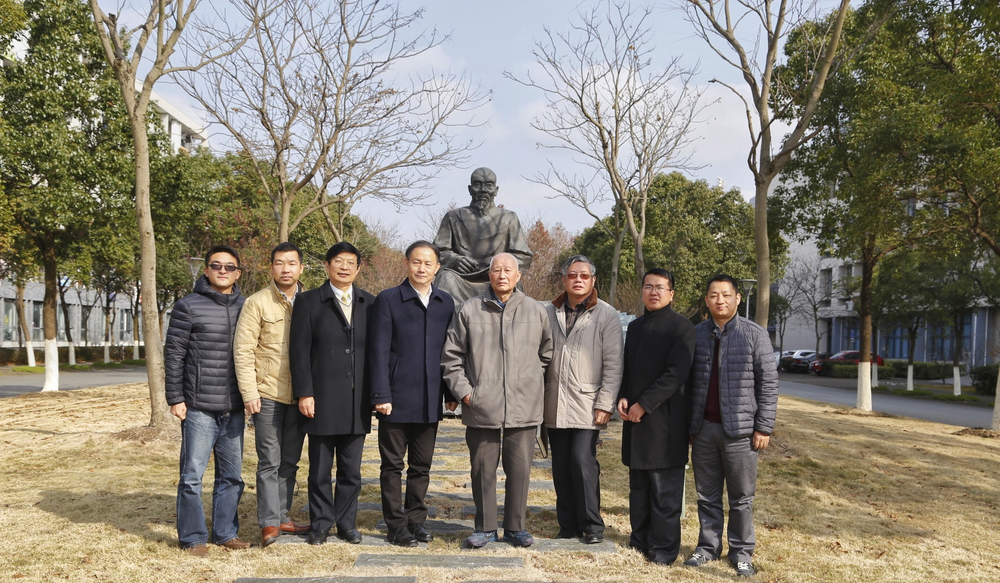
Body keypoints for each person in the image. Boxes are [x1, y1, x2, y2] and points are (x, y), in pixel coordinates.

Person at [441, 252, 553, 548]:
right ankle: (486, 527)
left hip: (523, 405)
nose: (502, 275)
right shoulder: (469, 309)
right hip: (481, 404)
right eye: (496, 270)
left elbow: (547, 353)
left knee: (520, 469)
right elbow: (451, 357)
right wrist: (466, 392)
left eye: (508, 270)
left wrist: (529, 380)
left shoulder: (535, 310)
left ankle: (516, 527)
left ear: (518, 276)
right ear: (488, 275)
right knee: (481, 469)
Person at [682, 274, 779, 577]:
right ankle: (707, 547)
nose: (719, 300)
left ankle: (741, 552)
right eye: (713, 295)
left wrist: (763, 427)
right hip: (704, 430)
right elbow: (686, 383)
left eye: (726, 295)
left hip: (741, 433)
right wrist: (689, 427)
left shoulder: (754, 334)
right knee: (706, 495)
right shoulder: (696, 333)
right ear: (707, 299)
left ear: (737, 298)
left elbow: (769, 383)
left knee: (741, 498)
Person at [369, 241, 457, 547]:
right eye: (416, 262)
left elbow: (449, 351)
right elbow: (378, 350)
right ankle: (395, 524)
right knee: (392, 466)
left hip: (430, 398)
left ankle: (416, 519)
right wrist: (381, 393)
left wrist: (449, 391)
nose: (422, 268)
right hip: (394, 397)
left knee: (422, 466)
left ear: (437, 268)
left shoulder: (446, 302)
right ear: (407, 264)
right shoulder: (389, 299)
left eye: (428, 264)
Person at [289, 242, 375, 546]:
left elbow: (376, 353)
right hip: (322, 399)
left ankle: (346, 524)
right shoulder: (310, 301)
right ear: (327, 265)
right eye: (338, 261)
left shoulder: (369, 303)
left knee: (351, 470)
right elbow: (298, 352)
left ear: (358, 268)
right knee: (321, 469)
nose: (344, 267)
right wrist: (305, 393)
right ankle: (321, 524)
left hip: (357, 402)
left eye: (351, 262)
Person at [165, 245, 248, 556]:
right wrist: (175, 397)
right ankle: (193, 537)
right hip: (198, 406)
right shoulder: (188, 306)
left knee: (232, 476)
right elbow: (174, 354)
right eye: (216, 266)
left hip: (235, 407)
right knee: (191, 476)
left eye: (229, 267)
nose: (223, 271)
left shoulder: (246, 307)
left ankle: (225, 533)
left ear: (238, 273)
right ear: (206, 270)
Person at [233, 242, 311, 547]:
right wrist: (249, 392)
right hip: (266, 394)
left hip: (300, 396)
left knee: (290, 461)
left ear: (301, 268)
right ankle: (268, 523)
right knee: (269, 460)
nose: (286, 269)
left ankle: (282, 516)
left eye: (292, 263)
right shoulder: (257, 303)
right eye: (280, 263)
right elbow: (243, 350)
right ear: (271, 268)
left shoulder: (311, 301)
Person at [616, 268, 696, 565]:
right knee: (639, 488)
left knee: (664, 492)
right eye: (648, 286)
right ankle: (639, 541)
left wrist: (643, 405)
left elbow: (676, 374)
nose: (653, 292)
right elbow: (628, 368)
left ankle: (662, 550)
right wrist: (624, 396)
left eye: (660, 287)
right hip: (635, 421)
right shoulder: (635, 327)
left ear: (671, 293)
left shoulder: (682, 327)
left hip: (665, 421)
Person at [542, 255, 622, 544]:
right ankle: (568, 525)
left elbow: (613, 363)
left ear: (593, 281)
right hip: (554, 401)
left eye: (584, 276)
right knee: (561, 466)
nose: (578, 280)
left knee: (582, 462)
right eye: (572, 275)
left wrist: (605, 403)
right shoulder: (548, 312)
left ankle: (592, 525)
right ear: (563, 280)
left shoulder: (606, 314)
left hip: (588, 404)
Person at [432, 167, 533, 303]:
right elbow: (437, 253)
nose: (483, 189)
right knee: (445, 278)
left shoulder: (509, 218)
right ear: (470, 189)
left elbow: (523, 257)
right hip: (461, 279)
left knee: (513, 284)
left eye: (489, 185)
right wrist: (455, 260)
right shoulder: (454, 217)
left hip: (495, 278)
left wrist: (497, 264)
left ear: (496, 190)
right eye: (478, 184)